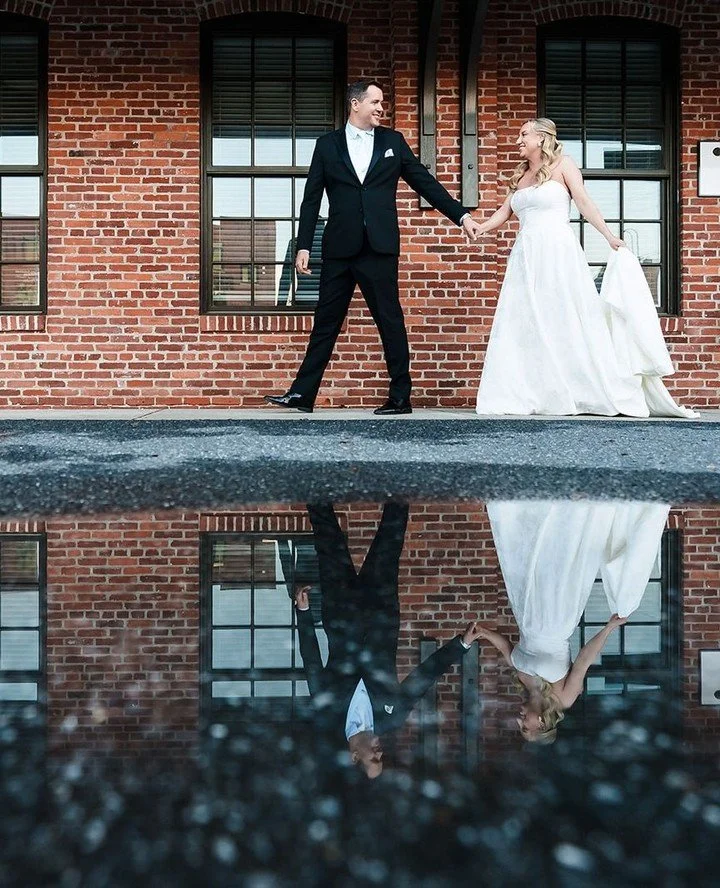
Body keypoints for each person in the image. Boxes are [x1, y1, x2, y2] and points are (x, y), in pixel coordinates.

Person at [265, 79, 482, 415]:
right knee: (325, 321)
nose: (382, 108)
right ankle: (302, 394)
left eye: (382, 103)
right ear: (356, 104)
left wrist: (461, 216)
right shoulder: (327, 145)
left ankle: (400, 398)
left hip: (379, 247)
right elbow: (311, 199)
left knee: (389, 320)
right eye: (376, 102)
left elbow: (425, 183)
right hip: (339, 248)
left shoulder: (393, 142)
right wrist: (304, 245)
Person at [474, 118, 697, 418]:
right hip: (526, 255)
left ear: (541, 138)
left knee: (564, 314)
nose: (518, 140)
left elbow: (584, 202)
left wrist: (608, 235)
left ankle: (580, 389)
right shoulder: (522, 176)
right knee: (527, 319)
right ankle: (534, 391)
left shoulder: (564, 165)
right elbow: (504, 212)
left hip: (557, 251)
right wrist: (480, 228)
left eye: (523, 135)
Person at [294, 502, 480, 777]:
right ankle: (400, 482)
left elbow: (311, 662)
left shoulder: (328, 716)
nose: (381, 752)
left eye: (375, 759)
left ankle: (312, 480)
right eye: (383, 758)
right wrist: (460, 645)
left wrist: (304, 613)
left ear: (355, 757)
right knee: (389, 543)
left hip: (341, 612)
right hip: (381, 611)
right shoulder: (392, 718)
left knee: (328, 542)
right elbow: (422, 678)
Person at [477, 499, 671, 743]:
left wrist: (483, 633)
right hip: (557, 618)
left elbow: (506, 648)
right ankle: (575, 510)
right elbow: (583, 662)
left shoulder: (523, 684)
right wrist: (608, 629)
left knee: (534, 560)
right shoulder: (563, 698)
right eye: (524, 727)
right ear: (540, 724)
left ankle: (540, 506)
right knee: (562, 562)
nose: (519, 720)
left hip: (526, 614)